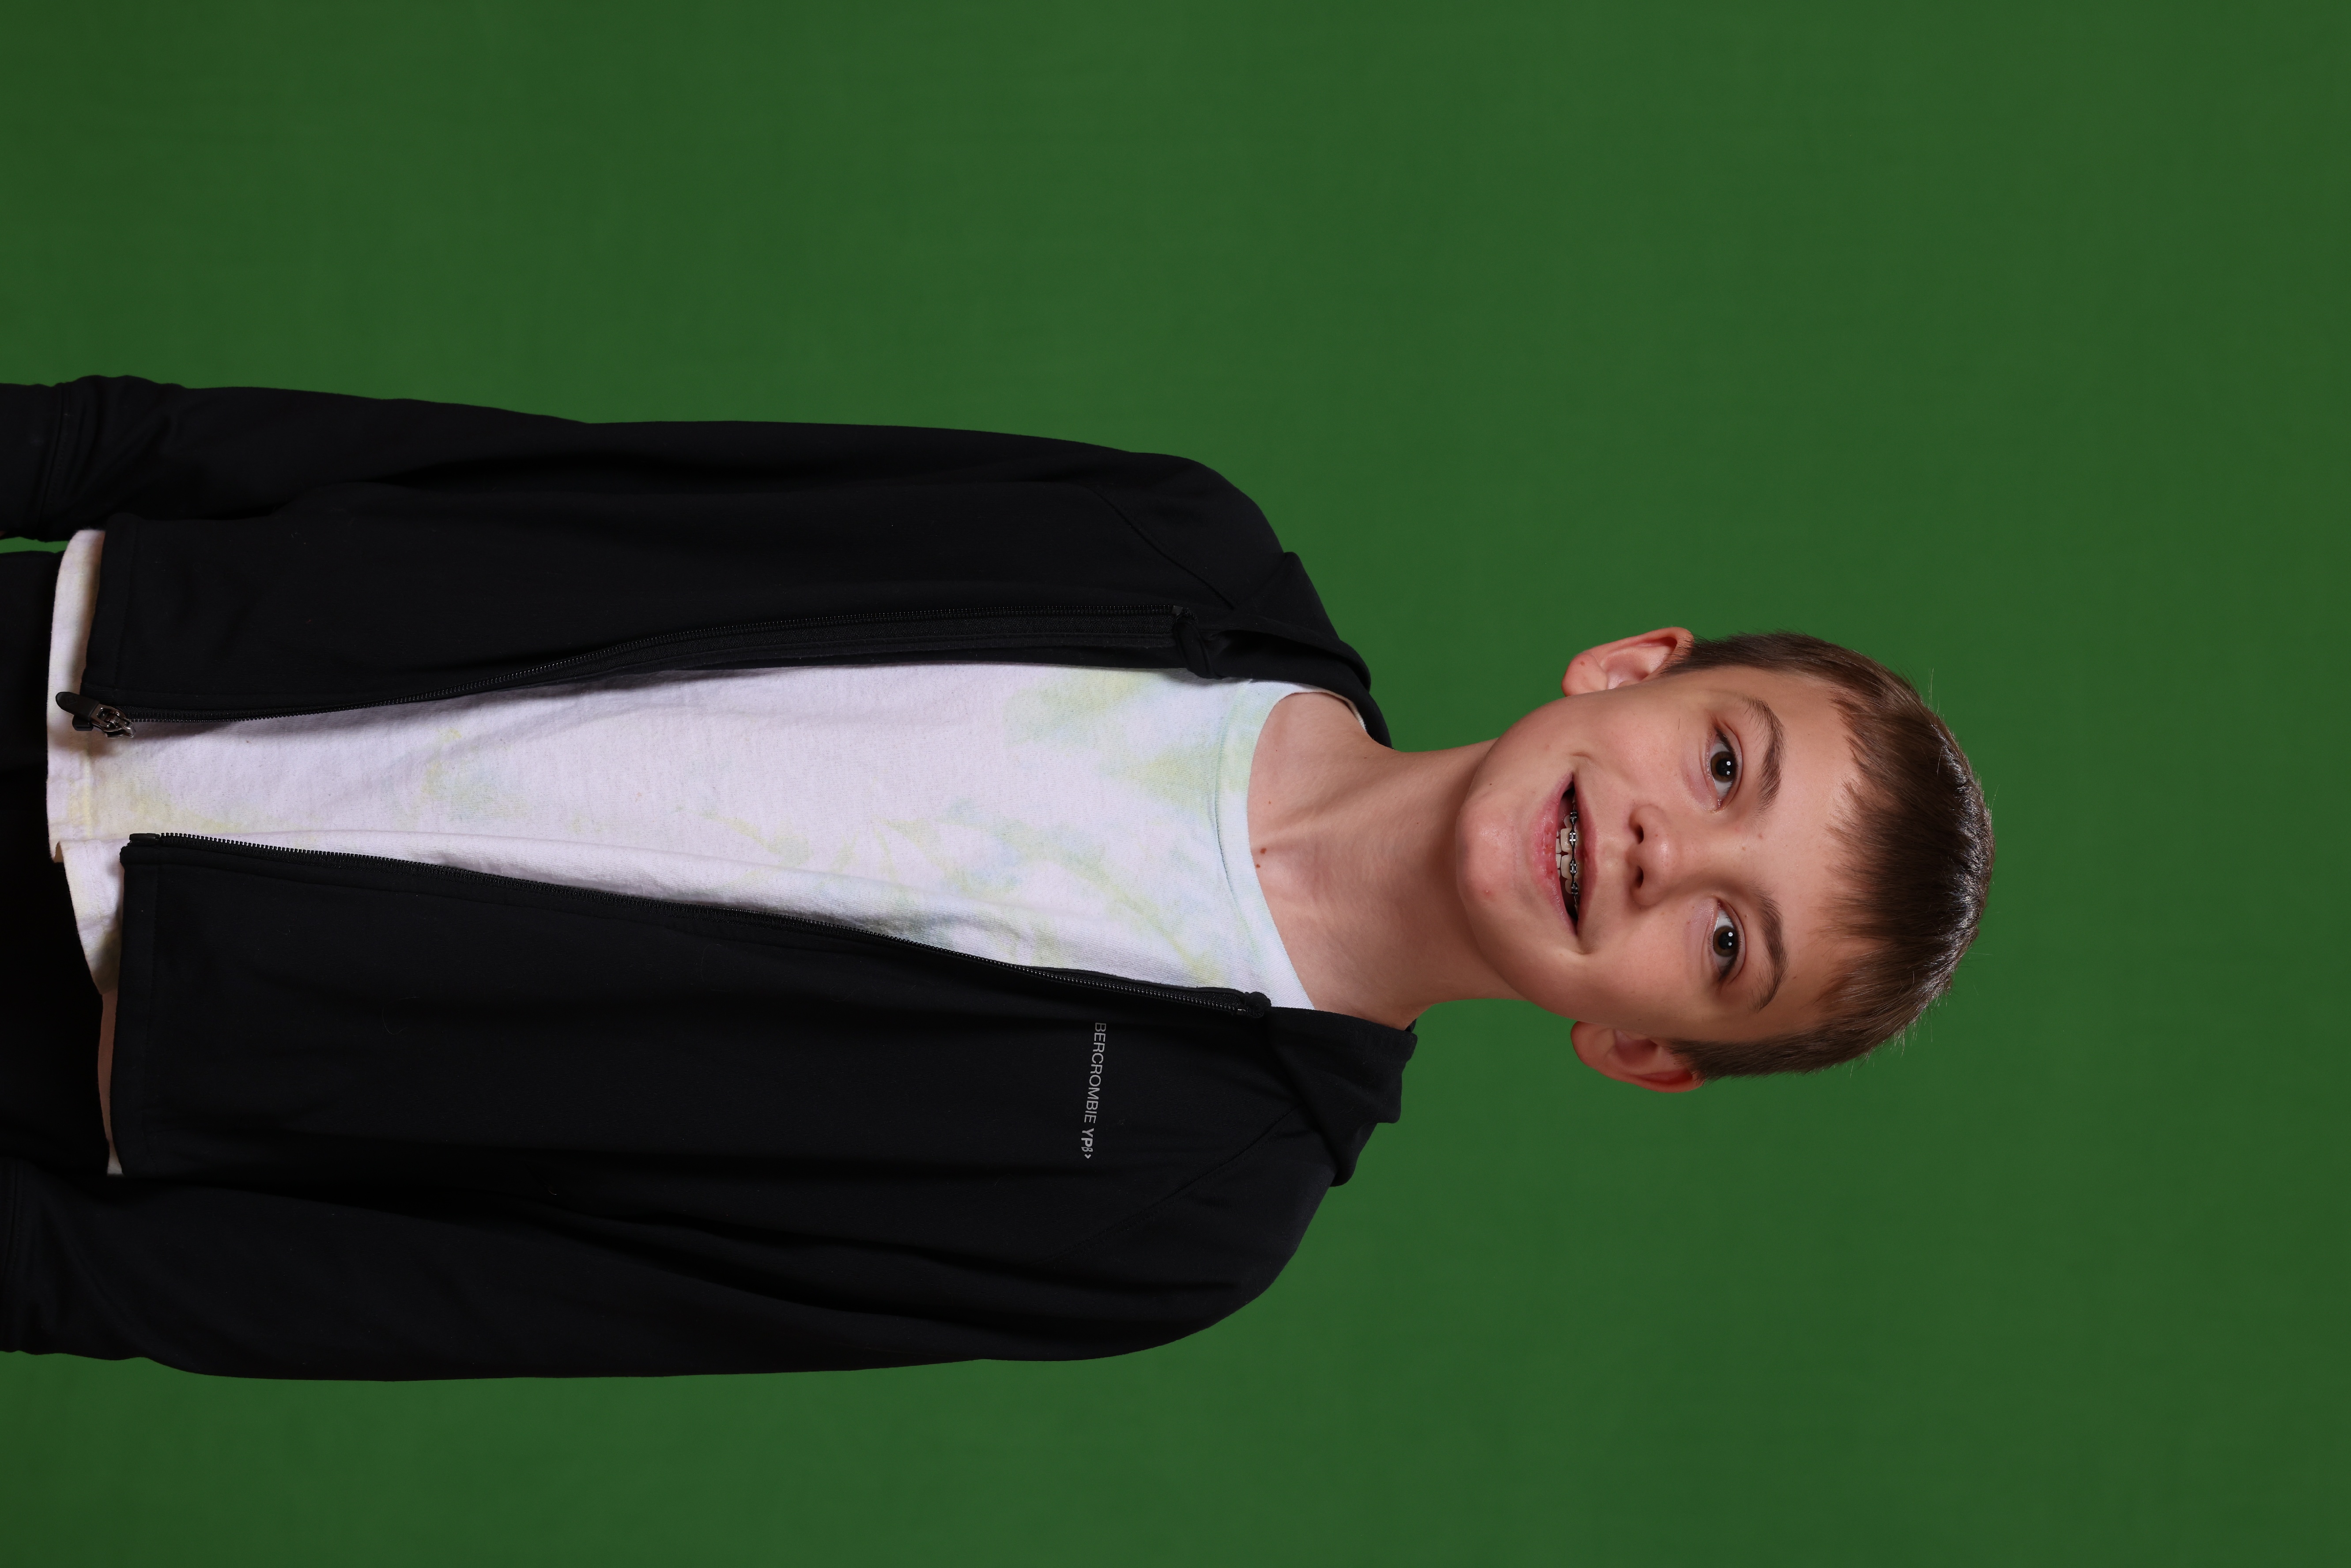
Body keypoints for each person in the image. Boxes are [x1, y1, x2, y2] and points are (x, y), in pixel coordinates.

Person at [0, 377, 1992, 1380]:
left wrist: (55, 1277)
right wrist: (84, 447)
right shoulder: (1181, 555)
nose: (1661, 848)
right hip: (114, 640)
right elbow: (601, 481)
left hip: (92, 1036)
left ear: (1642, 1047)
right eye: (1725, 765)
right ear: (1637, 668)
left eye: (1725, 939)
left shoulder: (1187, 1215)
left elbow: (534, 1288)